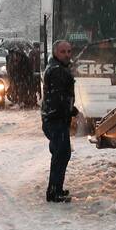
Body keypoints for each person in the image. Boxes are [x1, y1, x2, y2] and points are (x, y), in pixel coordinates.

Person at [41, 40, 77, 203]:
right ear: (55, 52)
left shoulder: (56, 68)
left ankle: (56, 188)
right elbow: (60, 97)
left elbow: (60, 96)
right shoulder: (57, 71)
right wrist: (70, 110)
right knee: (61, 154)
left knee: (60, 153)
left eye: (69, 51)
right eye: (63, 52)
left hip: (54, 117)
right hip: (56, 119)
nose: (67, 54)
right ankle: (54, 192)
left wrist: (71, 110)